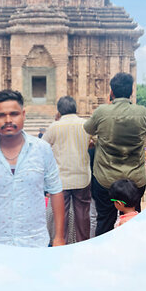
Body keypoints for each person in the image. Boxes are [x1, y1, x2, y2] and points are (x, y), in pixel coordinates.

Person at [0, 89, 65, 247]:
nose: (8, 120)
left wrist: (59, 237)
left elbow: (56, 191)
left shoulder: (42, 149)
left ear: (23, 114)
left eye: (14, 114)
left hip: (35, 241)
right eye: (1, 115)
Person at [86, 72, 146, 237]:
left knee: (105, 222)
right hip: (135, 179)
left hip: (106, 179)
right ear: (131, 91)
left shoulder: (102, 112)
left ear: (111, 92)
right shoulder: (142, 112)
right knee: (133, 217)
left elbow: (88, 129)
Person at [41, 95, 92, 243]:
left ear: (59, 110)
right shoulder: (85, 124)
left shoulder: (54, 126)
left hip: (61, 180)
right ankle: (83, 243)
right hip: (82, 177)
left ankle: (60, 244)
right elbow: (95, 141)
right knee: (83, 216)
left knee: (60, 218)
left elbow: (42, 147)